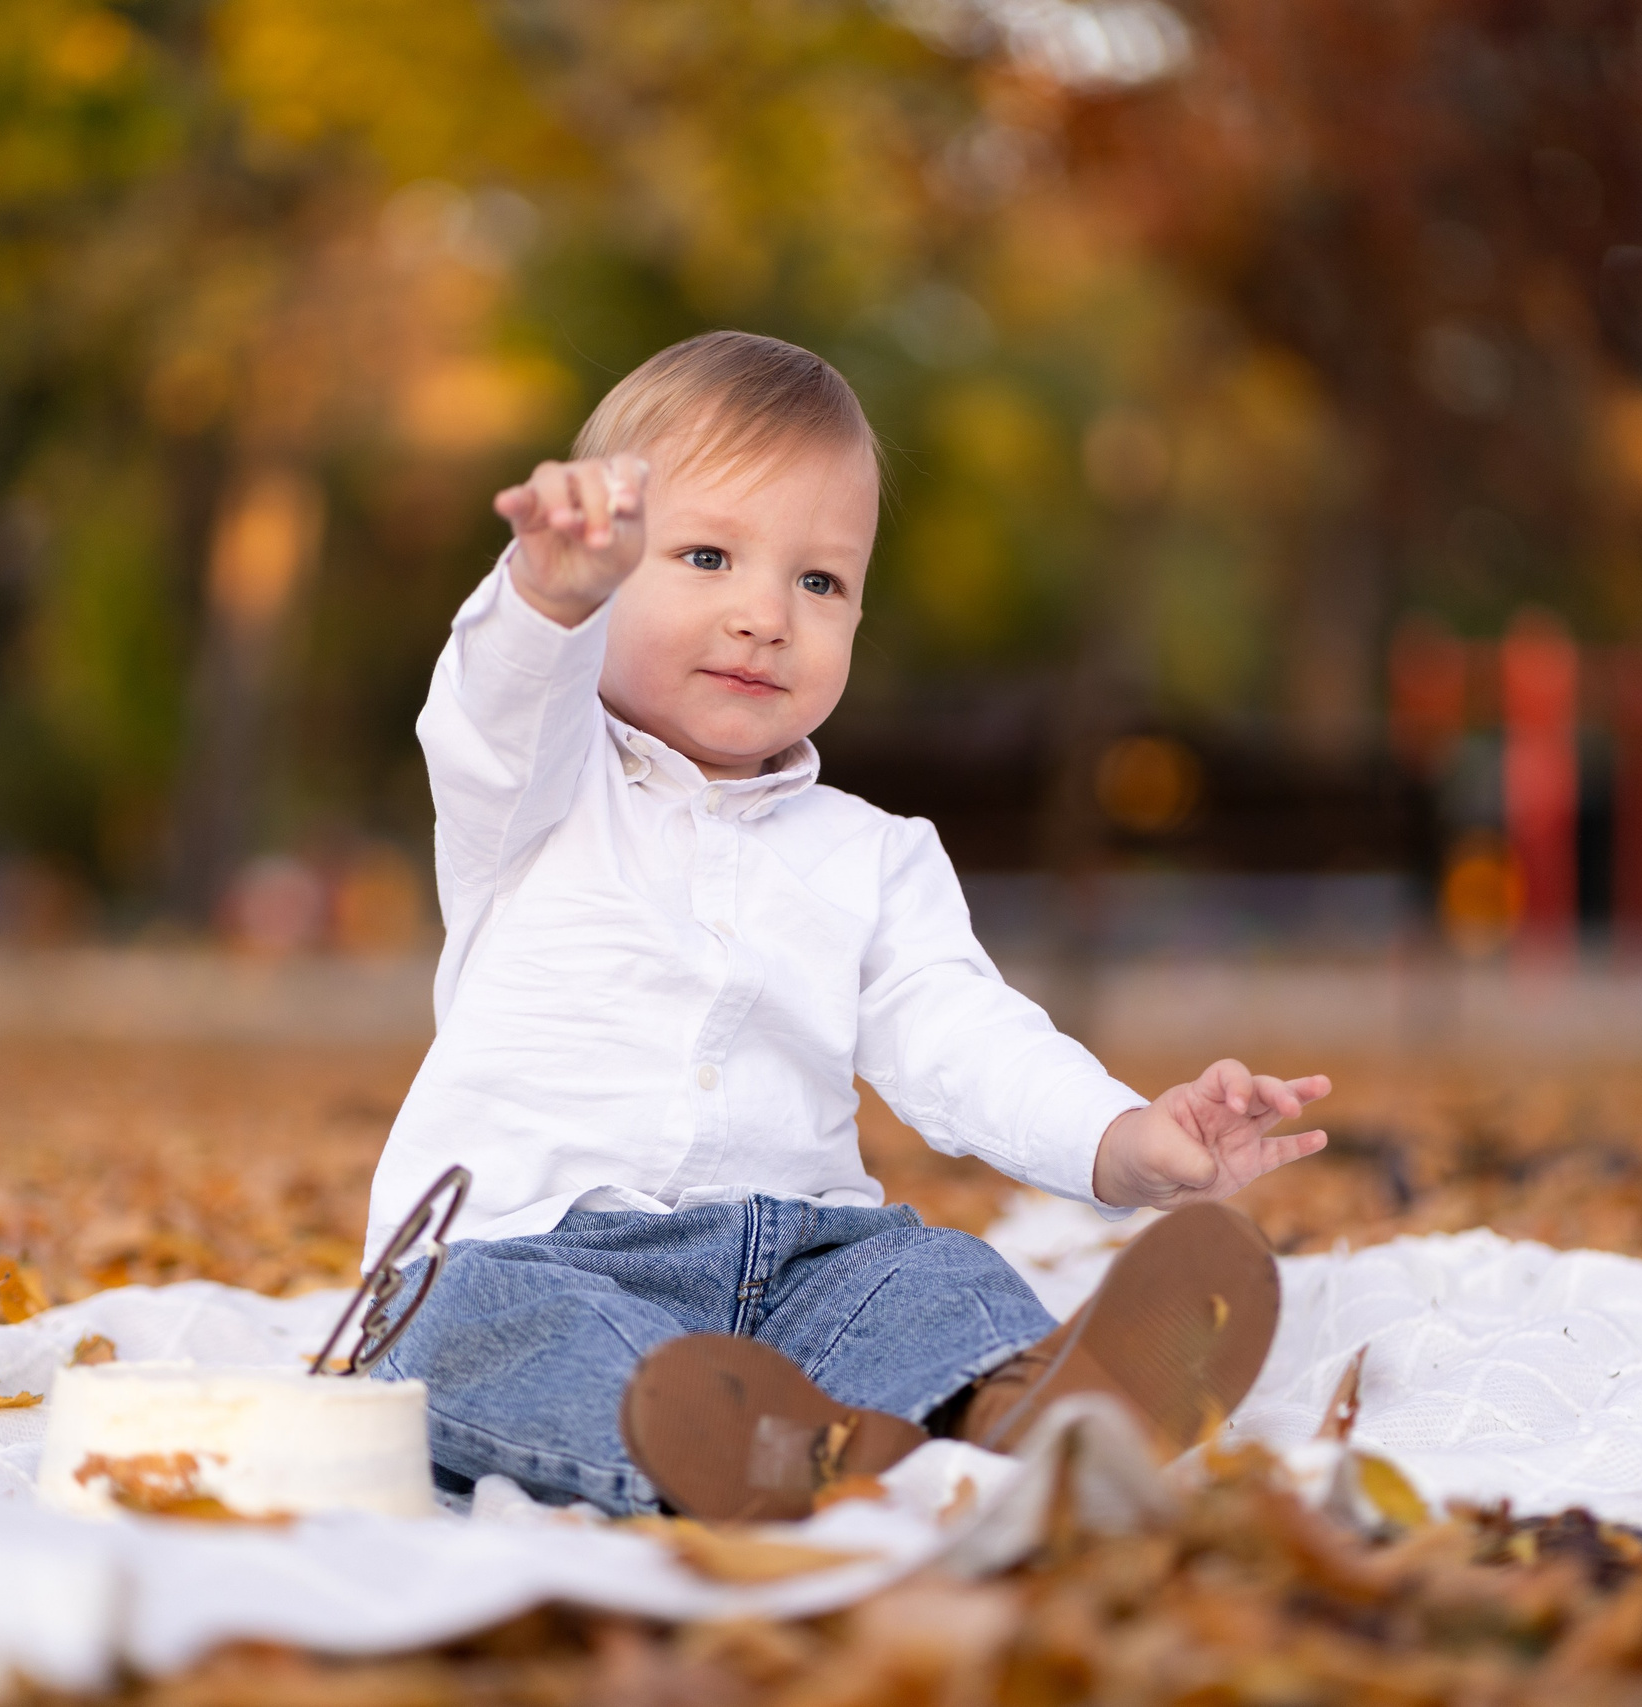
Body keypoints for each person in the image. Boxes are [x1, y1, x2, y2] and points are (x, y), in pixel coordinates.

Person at [366, 331, 1330, 1520]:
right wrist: (541, 599)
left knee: (933, 1277)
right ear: (604, 570)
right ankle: (726, 1444)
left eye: (818, 582)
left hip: (795, 1266)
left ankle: (1022, 1408)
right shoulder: (540, 789)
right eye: (708, 556)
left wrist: (1122, 1141)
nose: (766, 615)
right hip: (532, 1251)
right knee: (461, 1328)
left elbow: (962, 1034)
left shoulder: (873, 855)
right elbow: (492, 704)